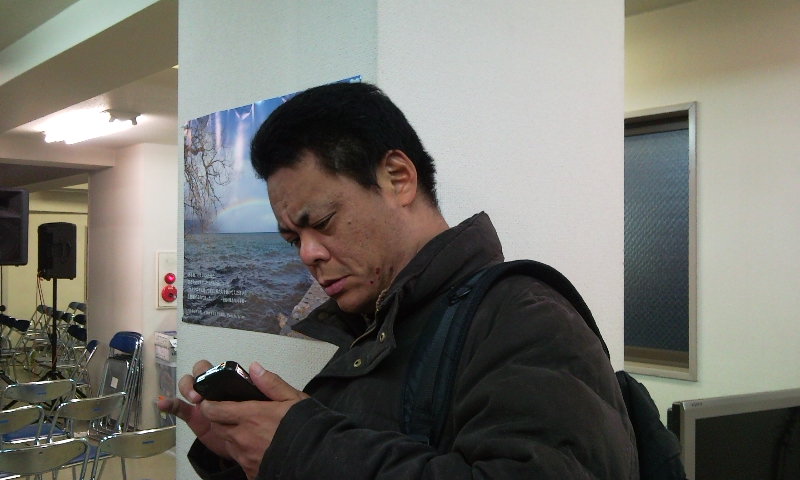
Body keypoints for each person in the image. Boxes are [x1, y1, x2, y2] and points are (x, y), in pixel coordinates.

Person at [159, 82, 638, 479]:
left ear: (397, 178)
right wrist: (242, 454)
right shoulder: (376, 327)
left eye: (322, 222)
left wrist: (299, 448)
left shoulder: (526, 317)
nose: (308, 254)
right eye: (292, 239)